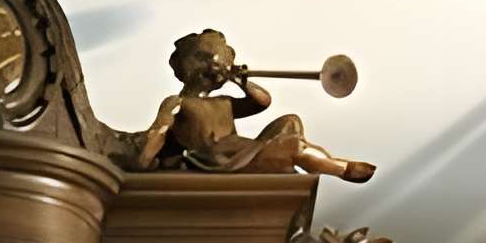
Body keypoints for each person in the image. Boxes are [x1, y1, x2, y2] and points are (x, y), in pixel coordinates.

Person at [133, 29, 373, 183]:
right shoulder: (179, 103)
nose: (214, 65)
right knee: (293, 146)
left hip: (243, 151)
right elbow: (159, 131)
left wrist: (241, 81)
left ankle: (288, 170)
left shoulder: (223, 102)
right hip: (220, 160)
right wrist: (143, 162)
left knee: (290, 122)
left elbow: (262, 102)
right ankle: (343, 169)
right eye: (204, 58)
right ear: (187, 66)